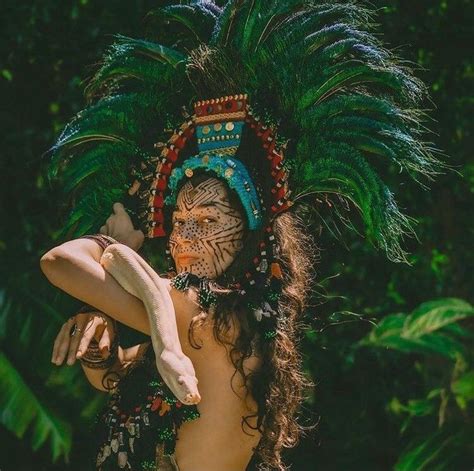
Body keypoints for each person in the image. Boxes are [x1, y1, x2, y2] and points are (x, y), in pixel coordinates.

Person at [40, 1, 442, 470]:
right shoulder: (241, 321)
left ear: (252, 235)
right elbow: (129, 372)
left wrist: (119, 239)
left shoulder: (200, 311)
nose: (186, 237)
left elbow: (60, 262)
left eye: (208, 221)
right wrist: (99, 351)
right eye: (179, 222)